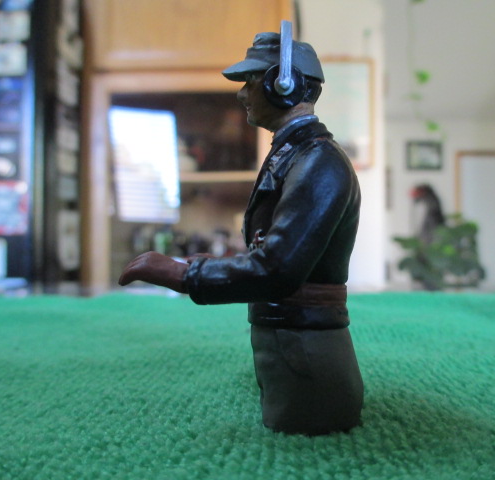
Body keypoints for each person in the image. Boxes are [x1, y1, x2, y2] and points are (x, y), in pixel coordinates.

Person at [119, 28, 364, 436]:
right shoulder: (294, 154)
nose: (241, 93)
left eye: (251, 81)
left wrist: (185, 275)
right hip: (288, 333)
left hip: (306, 344)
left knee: (305, 426)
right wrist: (211, 265)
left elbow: (278, 269)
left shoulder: (318, 163)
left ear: (282, 85)